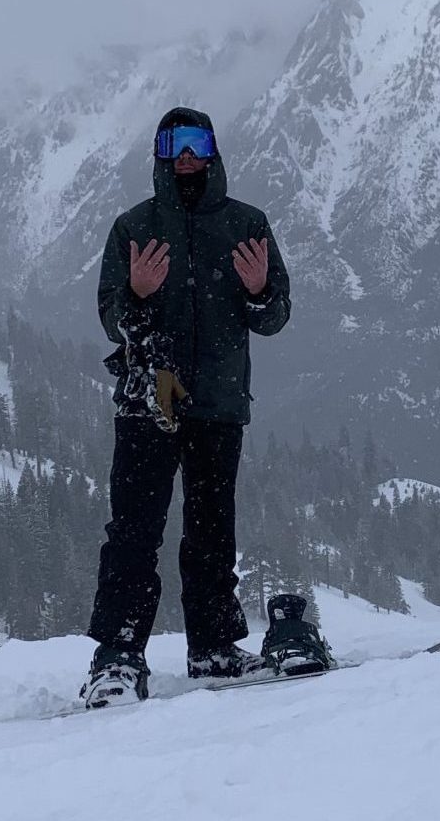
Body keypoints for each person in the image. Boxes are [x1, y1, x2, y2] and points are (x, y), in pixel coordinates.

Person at [81, 107, 292, 708]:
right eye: (174, 144)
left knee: (211, 532)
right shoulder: (133, 228)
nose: (187, 156)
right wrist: (139, 296)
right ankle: (119, 657)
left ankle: (214, 647)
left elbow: (275, 317)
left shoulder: (247, 224)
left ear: (214, 150)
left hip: (220, 401)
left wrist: (258, 291)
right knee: (134, 532)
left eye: (196, 142)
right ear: (159, 154)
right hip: (152, 397)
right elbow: (111, 320)